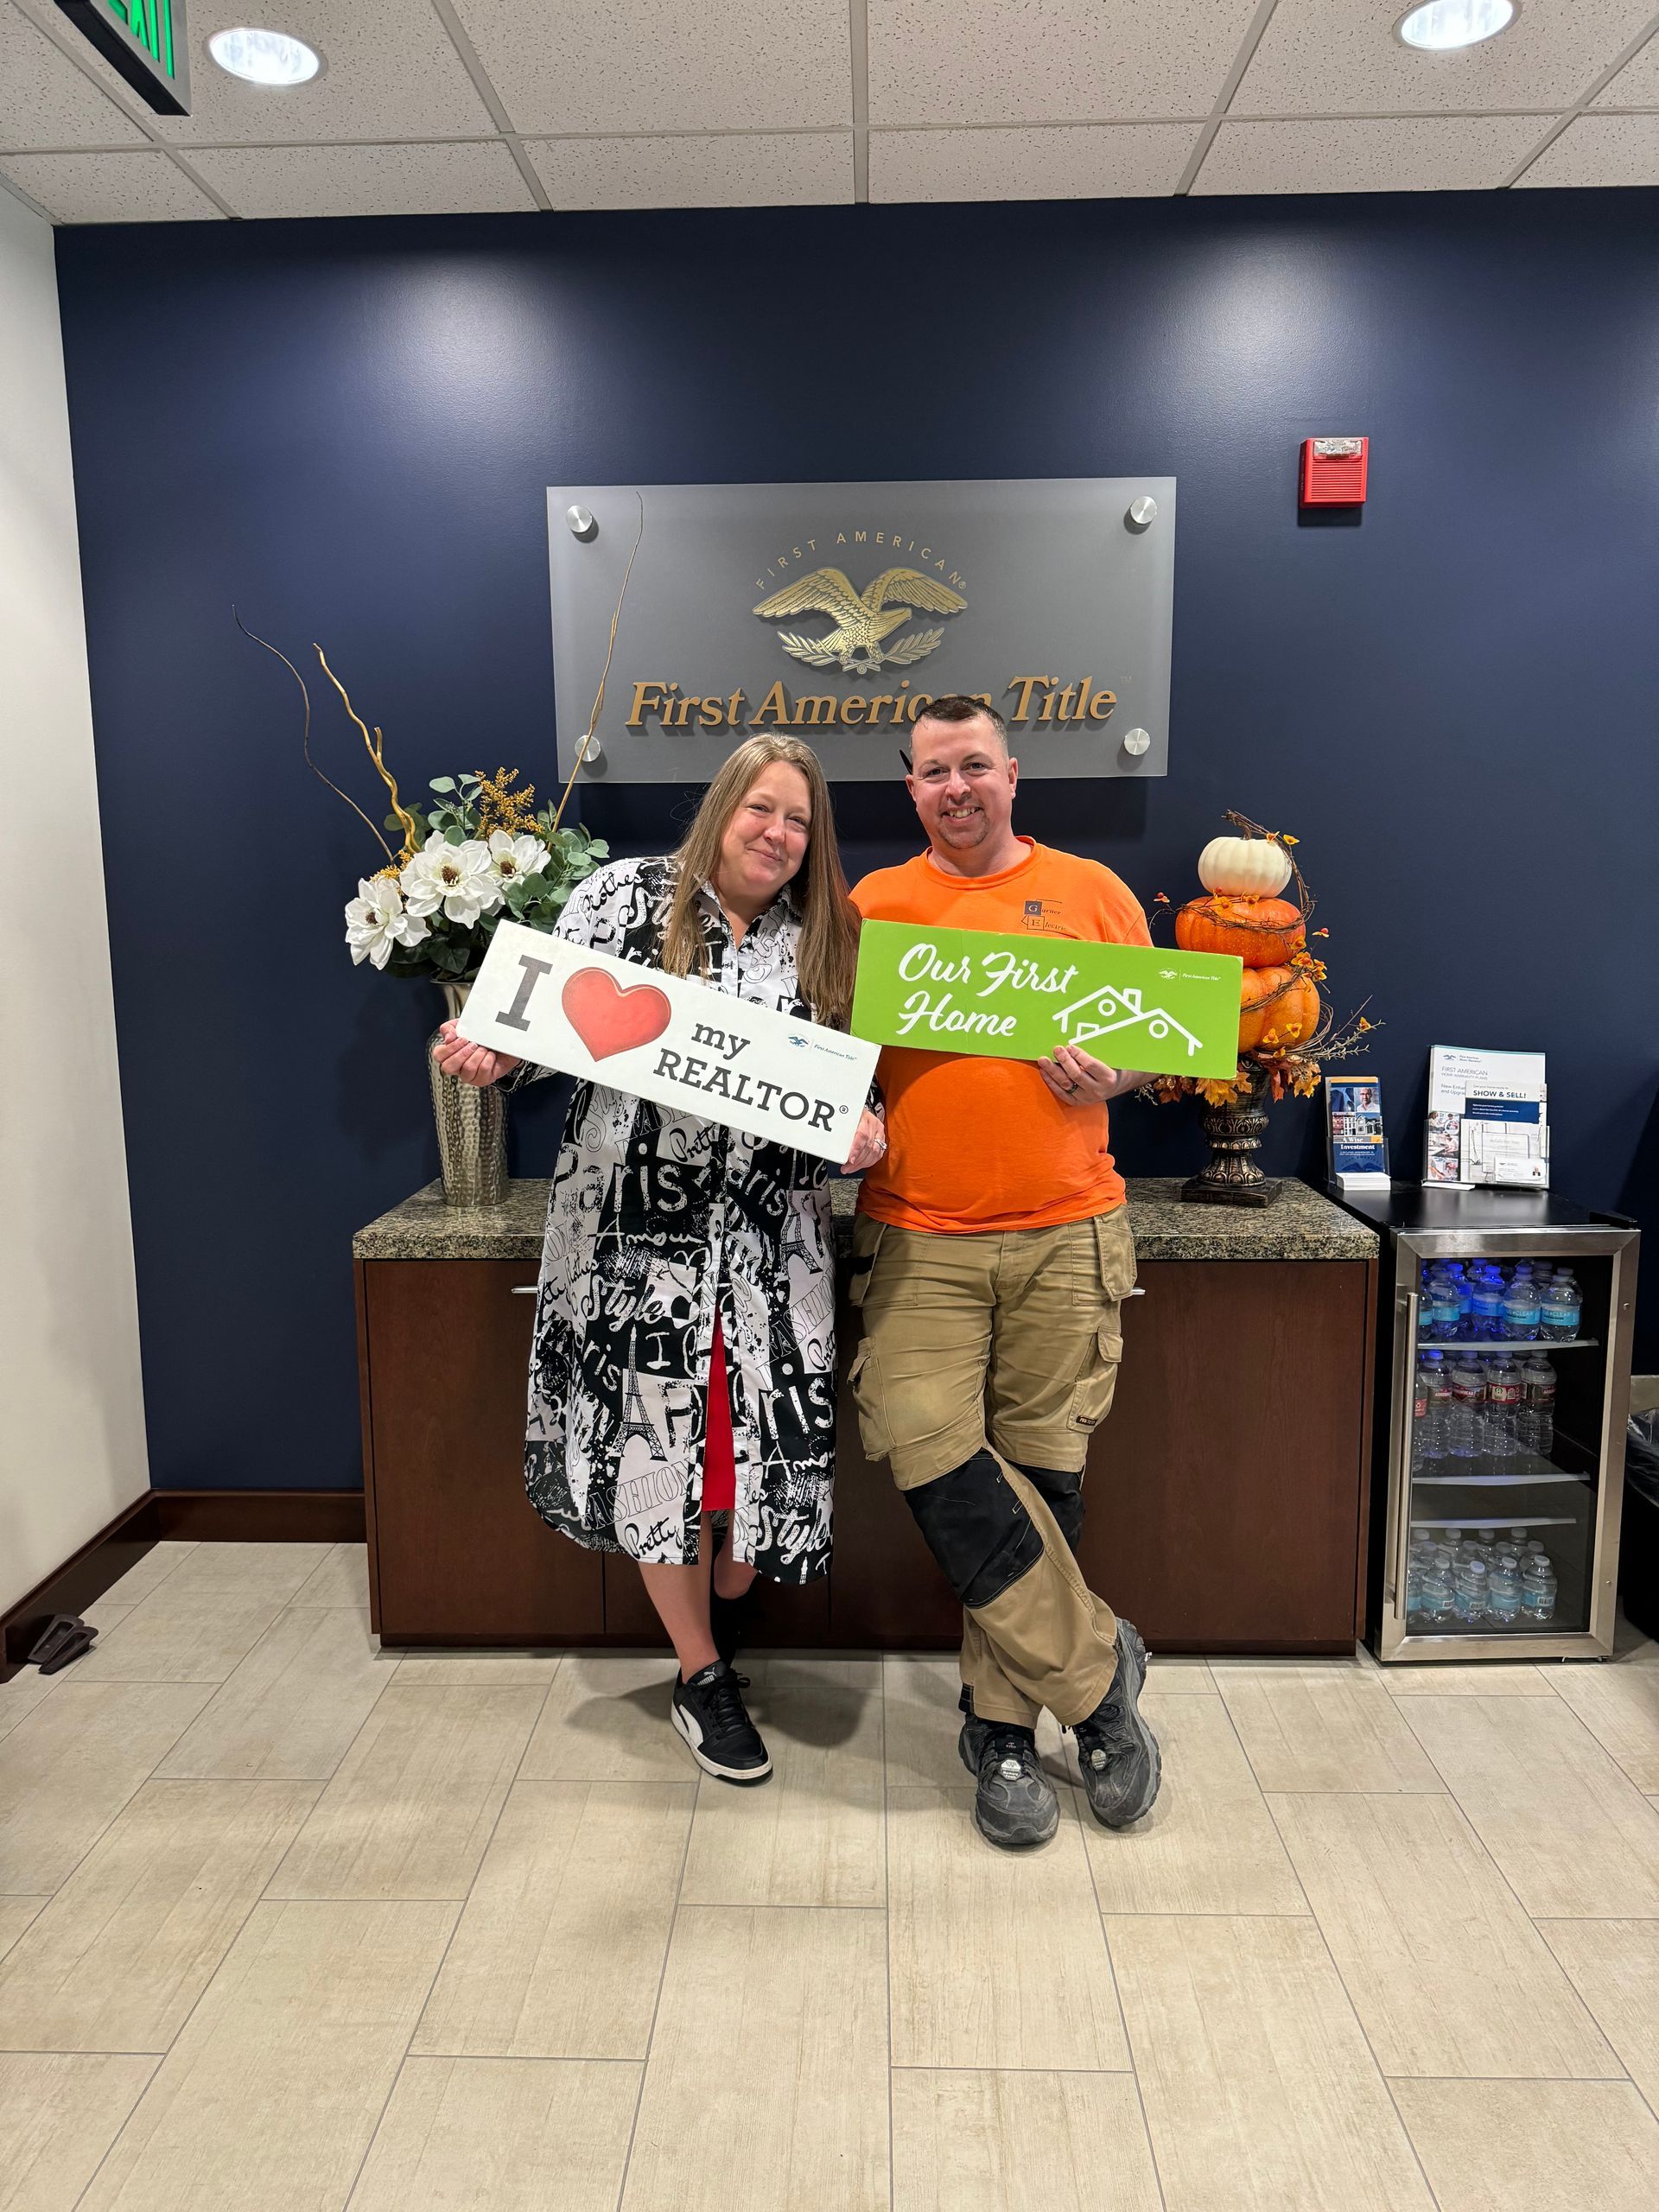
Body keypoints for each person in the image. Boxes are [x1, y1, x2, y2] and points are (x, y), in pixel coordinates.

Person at [435, 734, 885, 1787]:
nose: (778, 834)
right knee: (659, 1446)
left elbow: (850, 1083)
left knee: (742, 1464)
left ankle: (724, 1591)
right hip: (638, 1237)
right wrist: (498, 1053)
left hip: (773, 1242)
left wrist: (867, 1128)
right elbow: (550, 1025)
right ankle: (698, 1676)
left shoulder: (824, 936)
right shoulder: (621, 898)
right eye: (762, 810)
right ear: (723, 805)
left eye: (800, 822)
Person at [848, 694, 1161, 1849]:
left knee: (1042, 1472)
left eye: (974, 765)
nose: (957, 788)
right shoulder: (874, 906)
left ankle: (999, 1733)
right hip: (918, 1237)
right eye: (934, 774)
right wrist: (847, 1116)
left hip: (1068, 1233)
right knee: (927, 1445)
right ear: (912, 788)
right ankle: (1097, 1676)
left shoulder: (1092, 894)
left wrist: (1112, 1074)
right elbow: (830, 1056)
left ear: (1012, 773)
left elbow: (1156, 1042)